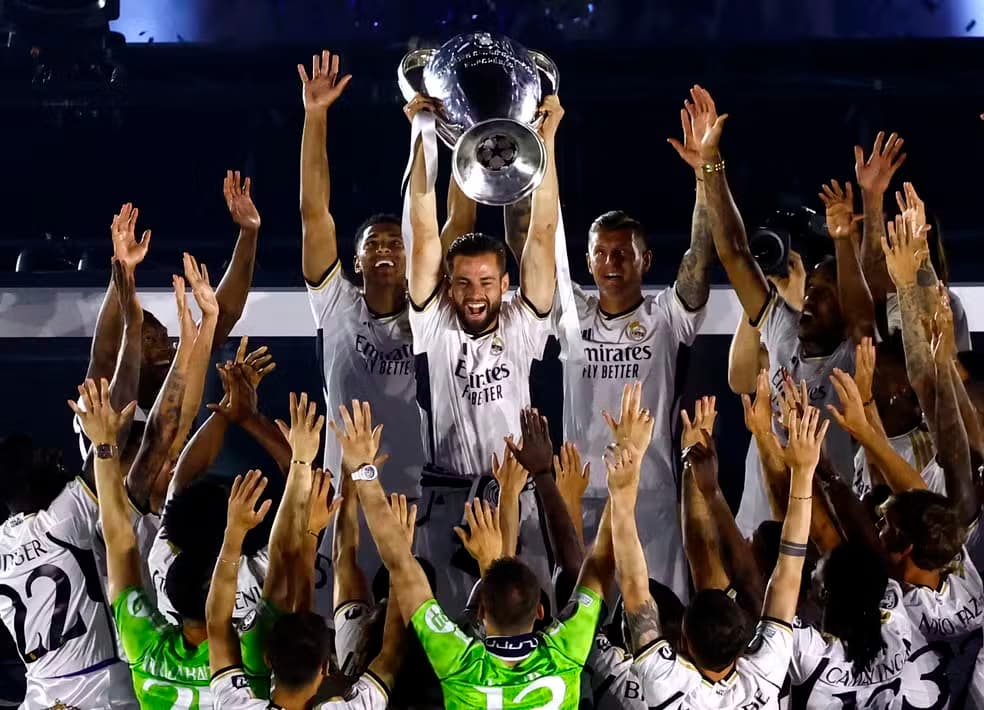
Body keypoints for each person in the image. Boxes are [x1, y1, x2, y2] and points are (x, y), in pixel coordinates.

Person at [333, 399, 613, 709]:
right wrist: (619, 482)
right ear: (540, 612)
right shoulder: (567, 650)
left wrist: (364, 474)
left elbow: (400, 567)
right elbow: (586, 568)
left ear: (481, 612)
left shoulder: (460, 663)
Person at [403, 92, 563, 604]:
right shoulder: (434, 326)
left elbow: (541, 234)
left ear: (505, 283)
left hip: (518, 493)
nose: (475, 294)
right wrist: (423, 136)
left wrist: (548, 141)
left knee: (527, 617)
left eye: (487, 282)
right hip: (448, 498)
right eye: (465, 282)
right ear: (450, 286)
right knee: (450, 630)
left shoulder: (522, 323)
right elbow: (425, 231)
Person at [560, 89, 713, 604]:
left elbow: (700, 252)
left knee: (660, 619)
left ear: (645, 262)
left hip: (651, 498)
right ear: (588, 262)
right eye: (601, 253)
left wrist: (704, 172)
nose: (612, 263)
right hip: (583, 498)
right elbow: (532, 245)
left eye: (624, 253)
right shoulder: (573, 316)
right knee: (588, 636)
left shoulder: (665, 315)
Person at [613, 369, 828, 709]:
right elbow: (789, 569)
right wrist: (804, 472)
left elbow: (785, 568)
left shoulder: (667, 686)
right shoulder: (766, 673)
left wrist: (626, 481)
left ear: (683, 642)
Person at [297, 50, 424, 614]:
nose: (386, 250)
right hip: (342, 498)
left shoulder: (430, 312)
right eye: (374, 242)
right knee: (341, 632)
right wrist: (316, 115)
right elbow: (313, 213)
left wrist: (427, 136)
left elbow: (443, 219)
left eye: (396, 242)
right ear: (354, 260)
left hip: (415, 501)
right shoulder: (337, 305)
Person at [699, 88, 875, 483]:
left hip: (825, 528)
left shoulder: (851, 359)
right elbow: (735, 254)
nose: (811, 295)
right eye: (812, 287)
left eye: (827, 293)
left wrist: (844, 240)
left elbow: (863, 320)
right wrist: (711, 162)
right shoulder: (783, 332)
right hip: (761, 523)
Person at [0, 434, 137, 708]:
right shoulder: (64, 517)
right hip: (104, 690)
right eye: (40, 456)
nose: (55, 455)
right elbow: (112, 443)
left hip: (39, 697)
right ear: (26, 478)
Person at [789, 541, 922, 708]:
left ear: (824, 592)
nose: (811, 573)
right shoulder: (897, 628)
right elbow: (871, 581)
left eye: (817, 567)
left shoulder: (810, 653)